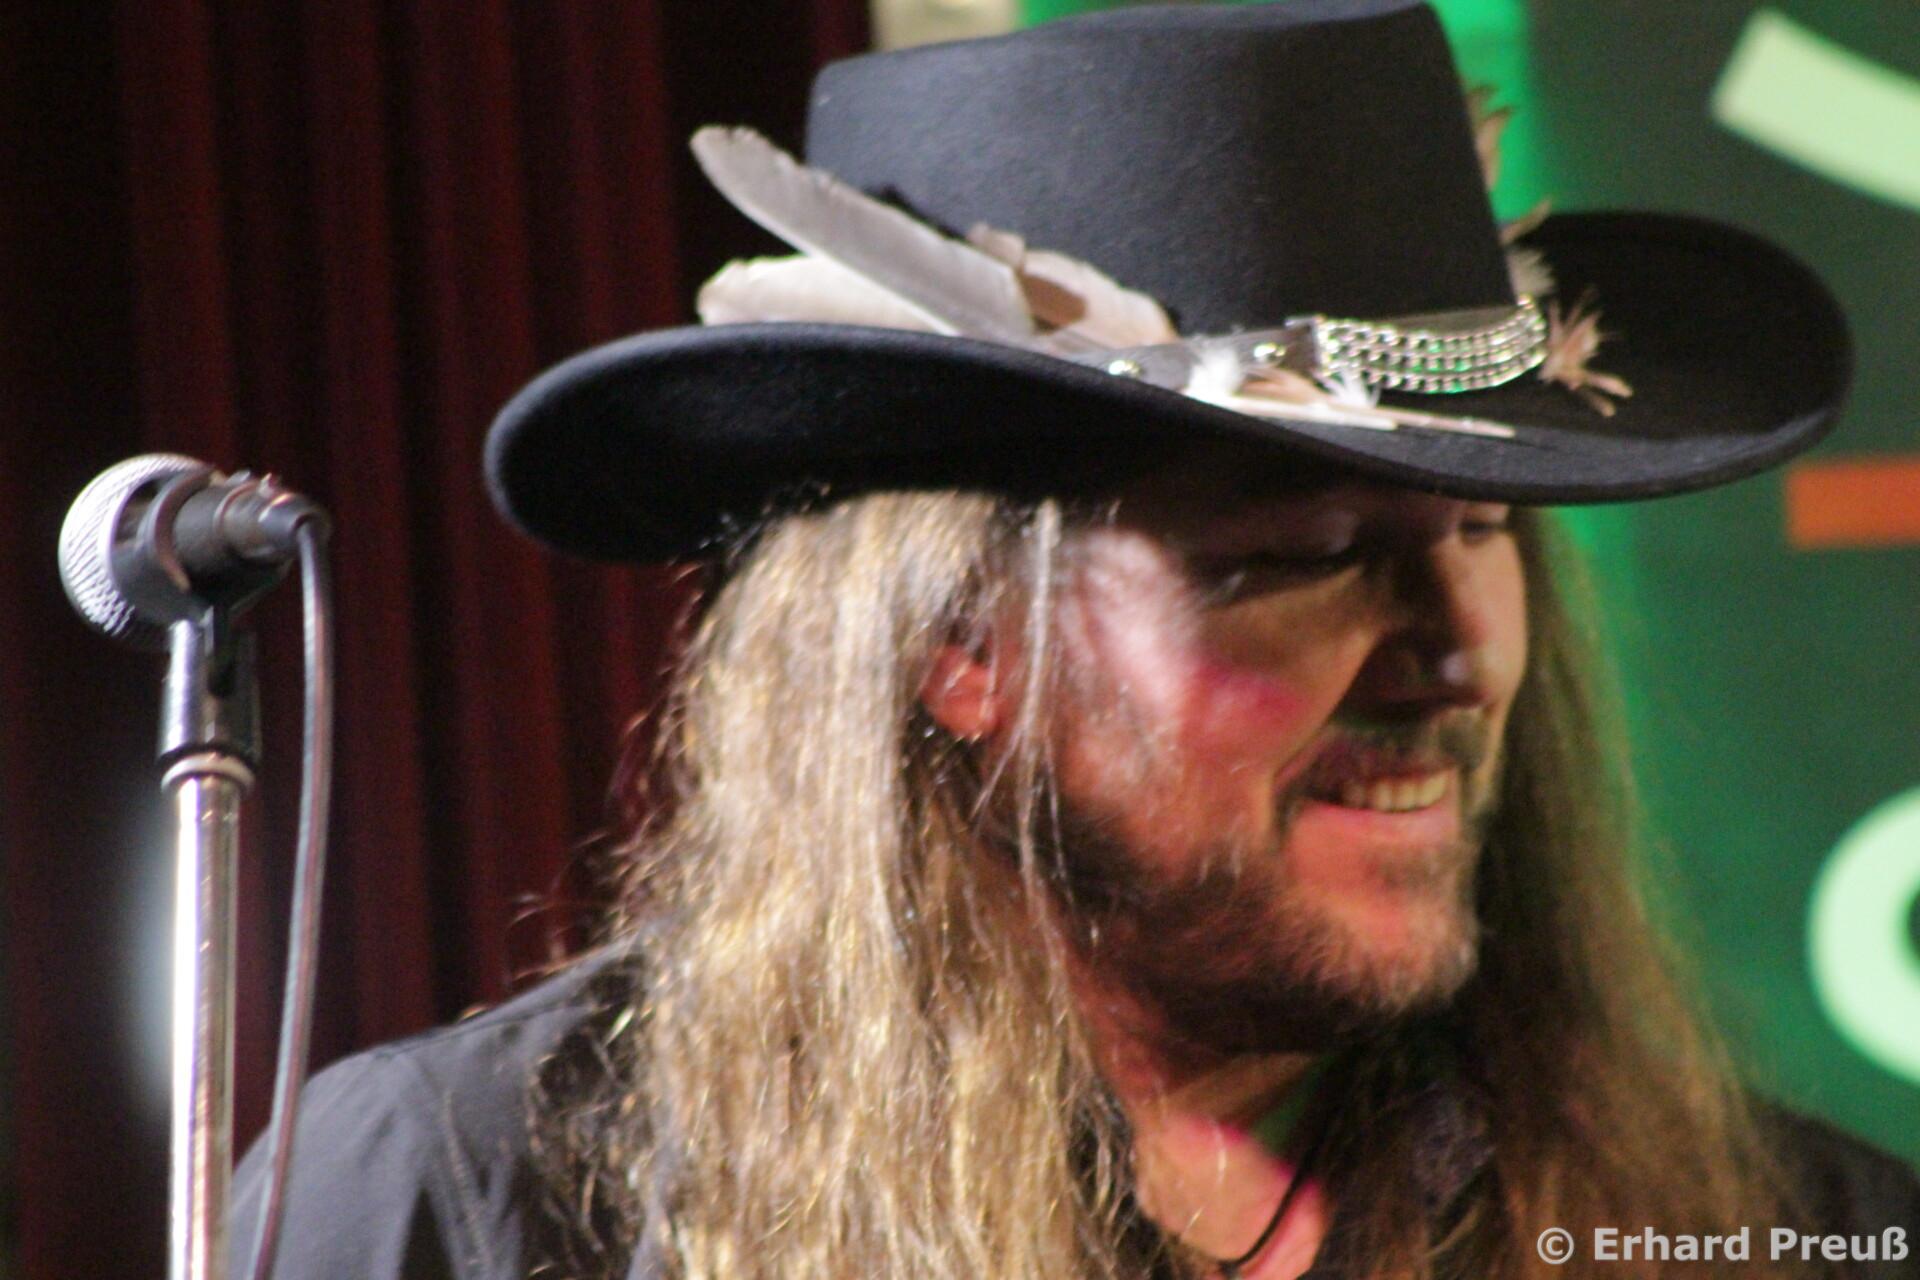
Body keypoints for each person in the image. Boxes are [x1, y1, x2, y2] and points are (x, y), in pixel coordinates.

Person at [233, 2, 1920, 1278]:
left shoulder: (1768, 1226)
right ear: (959, 645)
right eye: (1312, 555)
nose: (1458, 653)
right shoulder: (490, 1201)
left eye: (1485, 533)